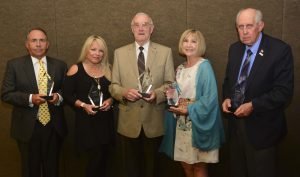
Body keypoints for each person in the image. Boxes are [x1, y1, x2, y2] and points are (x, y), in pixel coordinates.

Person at [222, 8, 294, 177]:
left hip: (263, 131)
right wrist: (226, 97)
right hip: (235, 128)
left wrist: (253, 105)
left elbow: (283, 92)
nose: (245, 31)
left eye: (249, 26)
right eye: (240, 27)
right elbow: (228, 81)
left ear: (260, 25)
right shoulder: (235, 49)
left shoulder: (279, 50)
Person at [109, 12, 175, 177]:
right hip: (129, 122)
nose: (141, 28)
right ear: (132, 29)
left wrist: (157, 94)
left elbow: (171, 84)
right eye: (137, 25)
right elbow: (113, 86)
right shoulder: (119, 53)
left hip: (155, 121)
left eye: (145, 24)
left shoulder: (165, 52)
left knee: (156, 169)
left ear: (151, 29)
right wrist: (124, 92)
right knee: (131, 169)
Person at [1, 27, 67, 177]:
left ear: (47, 44)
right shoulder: (15, 65)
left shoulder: (60, 65)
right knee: (30, 171)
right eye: (34, 40)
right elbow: (6, 94)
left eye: (42, 40)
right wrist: (30, 98)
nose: (38, 44)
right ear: (27, 44)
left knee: (53, 170)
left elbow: (67, 92)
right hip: (27, 128)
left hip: (53, 127)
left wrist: (58, 97)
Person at [160, 29, 225, 177]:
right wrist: (172, 93)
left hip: (199, 123)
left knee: (198, 167)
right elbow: (180, 93)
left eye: (193, 41)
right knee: (187, 166)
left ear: (200, 45)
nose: (189, 45)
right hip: (181, 125)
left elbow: (210, 99)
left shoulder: (204, 66)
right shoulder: (181, 68)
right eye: (185, 40)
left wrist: (188, 109)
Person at [62, 35, 114, 177]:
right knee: (92, 161)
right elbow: (66, 94)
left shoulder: (109, 69)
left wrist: (110, 101)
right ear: (86, 50)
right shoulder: (76, 69)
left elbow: (115, 92)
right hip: (86, 124)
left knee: (104, 160)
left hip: (106, 122)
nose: (97, 53)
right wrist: (83, 105)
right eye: (93, 49)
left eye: (101, 51)